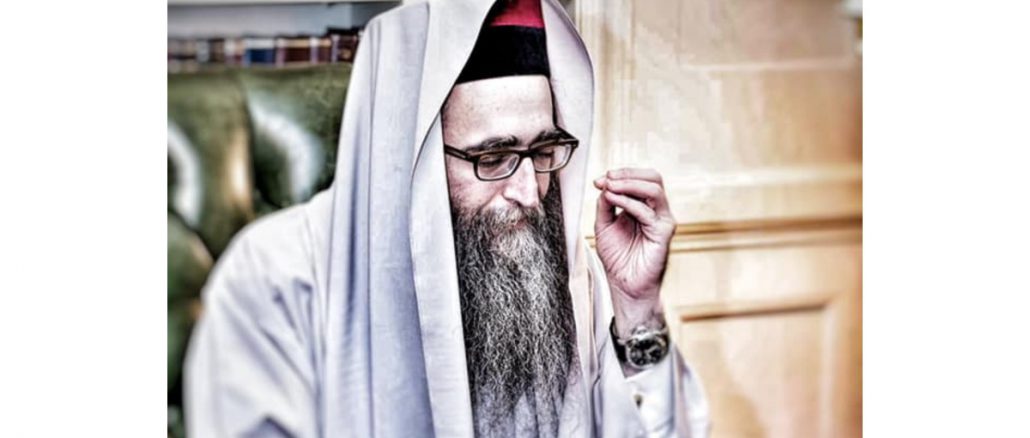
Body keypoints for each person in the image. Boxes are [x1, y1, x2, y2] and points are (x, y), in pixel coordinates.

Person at [184, 0, 709, 436]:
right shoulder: (277, 276)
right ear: (408, 158)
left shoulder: (557, 268)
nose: (529, 192)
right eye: (493, 157)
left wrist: (638, 308)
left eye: (543, 150)